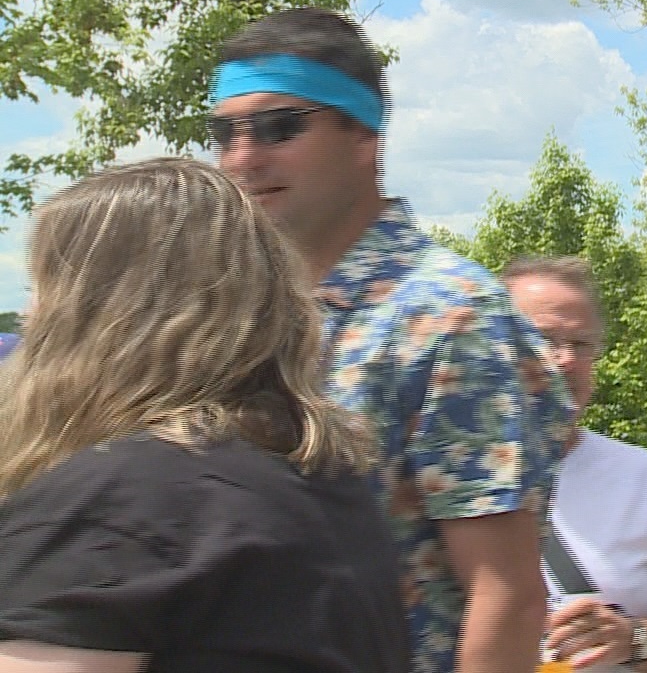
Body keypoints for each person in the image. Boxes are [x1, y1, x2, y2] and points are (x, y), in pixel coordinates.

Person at [210, 9, 574, 673]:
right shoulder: (232, 314)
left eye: (279, 126)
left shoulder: (448, 315)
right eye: (224, 132)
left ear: (363, 136)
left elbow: (507, 596)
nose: (243, 156)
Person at [0, 158, 407, 672]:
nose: (28, 315)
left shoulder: (116, 502)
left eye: (42, 289)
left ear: (99, 313)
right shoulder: (321, 478)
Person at [502, 256, 647, 672]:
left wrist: (635, 639)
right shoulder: (436, 480)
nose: (566, 359)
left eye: (580, 344)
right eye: (545, 339)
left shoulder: (640, 477)